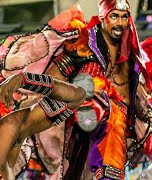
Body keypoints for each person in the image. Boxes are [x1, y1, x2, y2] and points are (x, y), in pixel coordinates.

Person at [39, 0, 152, 179]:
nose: (119, 23)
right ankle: (89, 99)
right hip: (85, 114)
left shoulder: (131, 54)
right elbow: (55, 75)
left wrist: (145, 113)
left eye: (124, 17)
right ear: (103, 18)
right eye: (114, 16)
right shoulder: (85, 43)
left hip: (121, 123)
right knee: (102, 100)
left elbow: (134, 91)